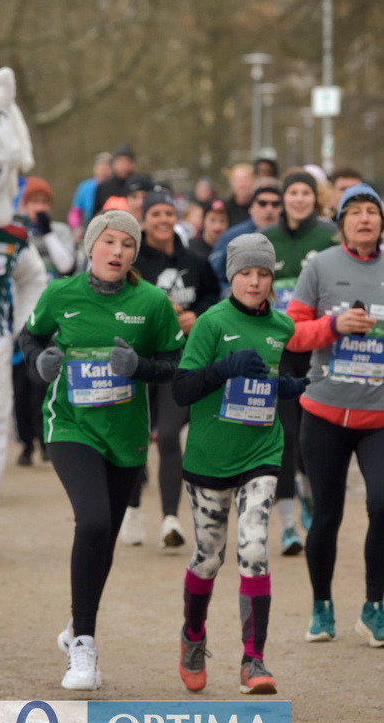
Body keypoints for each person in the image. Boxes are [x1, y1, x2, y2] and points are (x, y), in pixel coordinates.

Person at [19, 209, 183, 689]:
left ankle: (74, 628)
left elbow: (175, 361)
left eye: (127, 245)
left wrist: (140, 368)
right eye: (109, 242)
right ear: (91, 247)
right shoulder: (60, 294)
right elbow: (30, 335)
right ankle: (86, 646)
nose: (118, 252)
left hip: (126, 433)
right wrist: (40, 361)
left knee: (103, 536)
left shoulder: (152, 302)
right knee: (91, 521)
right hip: (70, 424)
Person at [172, 233, 303, 695]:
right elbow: (181, 391)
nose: (255, 281)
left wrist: (285, 387)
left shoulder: (282, 327)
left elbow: (273, 375)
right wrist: (223, 369)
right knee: (209, 558)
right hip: (209, 457)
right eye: (246, 273)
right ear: (232, 277)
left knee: (253, 550)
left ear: (272, 279)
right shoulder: (211, 323)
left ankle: (253, 660)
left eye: (263, 274)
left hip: (261, 453)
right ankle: (193, 636)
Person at [285, 184, 384, 647]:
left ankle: (374, 605)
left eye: (372, 212)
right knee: (327, 514)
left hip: (378, 417)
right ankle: (321, 606)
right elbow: (291, 334)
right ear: (341, 222)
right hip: (324, 413)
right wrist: (333, 325)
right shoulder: (319, 266)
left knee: (381, 506)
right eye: (355, 213)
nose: (365, 219)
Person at [121, 188, 220, 548]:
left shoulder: (194, 260)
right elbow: (119, 301)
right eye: (155, 214)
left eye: (168, 213)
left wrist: (198, 315)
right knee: (133, 440)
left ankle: (169, 519)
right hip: (138, 362)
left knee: (168, 439)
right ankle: (131, 511)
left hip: (180, 361)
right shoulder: (133, 262)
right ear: (144, 219)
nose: (163, 220)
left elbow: (214, 296)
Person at [264, 169, 336, 555]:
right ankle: (289, 525)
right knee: (286, 436)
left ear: (314, 197)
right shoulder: (268, 241)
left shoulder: (328, 238)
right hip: (279, 350)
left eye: (305, 193)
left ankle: (309, 494)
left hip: (319, 349)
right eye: (291, 192)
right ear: (283, 197)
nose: (298, 199)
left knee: (312, 435)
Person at [13, 176, 76, 465]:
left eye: (44, 202)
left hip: (51, 318)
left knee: (43, 382)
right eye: (33, 202)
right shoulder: (15, 231)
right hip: (19, 316)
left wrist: (48, 233)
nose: (39, 207)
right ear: (23, 205)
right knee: (20, 387)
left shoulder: (59, 231)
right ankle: (25, 443)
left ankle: (45, 441)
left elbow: (66, 265)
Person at [209, 178, 283, 296]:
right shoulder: (231, 237)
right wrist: (231, 295)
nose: (269, 209)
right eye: (262, 203)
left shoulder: (291, 238)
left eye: (275, 204)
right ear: (251, 207)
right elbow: (213, 277)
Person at [67, 152, 113, 236]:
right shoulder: (85, 187)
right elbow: (75, 211)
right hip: (90, 229)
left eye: (107, 168)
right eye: (101, 167)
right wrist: (76, 227)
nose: (104, 171)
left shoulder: (116, 186)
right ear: (95, 168)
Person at [92, 143, 144, 215]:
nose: (124, 165)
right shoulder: (103, 187)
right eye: (120, 161)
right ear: (114, 163)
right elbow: (94, 214)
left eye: (128, 161)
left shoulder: (141, 184)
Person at [223, 162, 255, 227]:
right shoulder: (223, 208)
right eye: (237, 179)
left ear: (253, 181)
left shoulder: (261, 206)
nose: (242, 182)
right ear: (231, 183)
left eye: (246, 178)